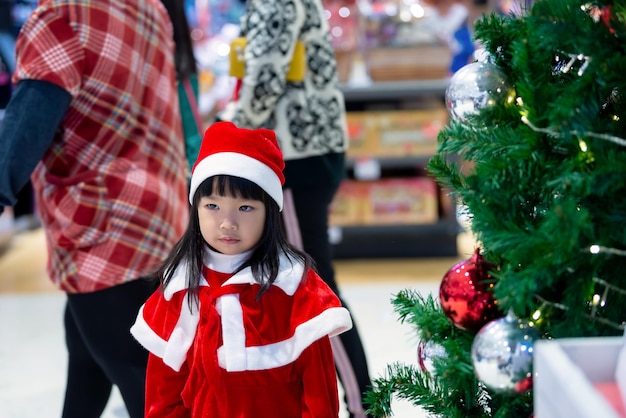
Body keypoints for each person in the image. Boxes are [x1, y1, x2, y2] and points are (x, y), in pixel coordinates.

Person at [0, 0, 189, 416]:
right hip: (159, 218)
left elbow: (25, 130)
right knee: (89, 362)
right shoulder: (150, 8)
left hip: (101, 230)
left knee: (145, 387)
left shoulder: (61, 16)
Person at [130, 121, 353, 417]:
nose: (227, 223)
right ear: (195, 208)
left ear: (270, 213)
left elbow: (319, 397)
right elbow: (164, 394)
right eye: (212, 206)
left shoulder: (295, 287)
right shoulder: (179, 288)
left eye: (245, 208)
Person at [219, 0, 374, 416]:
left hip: (296, 157)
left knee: (315, 288)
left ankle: (365, 406)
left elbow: (265, 77)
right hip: (305, 153)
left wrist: (228, 126)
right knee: (304, 283)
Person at [160, 0, 203, 176]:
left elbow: (193, 136)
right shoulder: (183, 70)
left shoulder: (176, 73)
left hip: (170, 173)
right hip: (172, 177)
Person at [422, 0, 476, 74]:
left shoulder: (460, 12)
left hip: (461, 57)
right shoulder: (430, 15)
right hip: (440, 60)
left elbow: (468, 42)